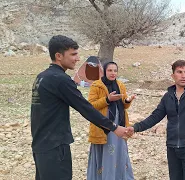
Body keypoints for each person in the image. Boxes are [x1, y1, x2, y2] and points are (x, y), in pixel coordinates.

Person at [30, 35, 131, 180]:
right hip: (56, 146)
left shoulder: (41, 77)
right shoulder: (61, 80)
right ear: (58, 56)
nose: (77, 59)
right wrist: (114, 127)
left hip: (40, 144)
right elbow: (86, 108)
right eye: (73, 54)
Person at [86, 61, 135, 180]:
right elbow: (90, 106)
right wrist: (107, 100)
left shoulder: (120, 85)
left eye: (115, 71)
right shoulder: (97, 85)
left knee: (119, 151)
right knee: (107, 152)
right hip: (103, 127)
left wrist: (127, 101)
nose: (113, 73)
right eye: (110, 70)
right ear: (104, 71)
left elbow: (124, 106)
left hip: (119, 124)